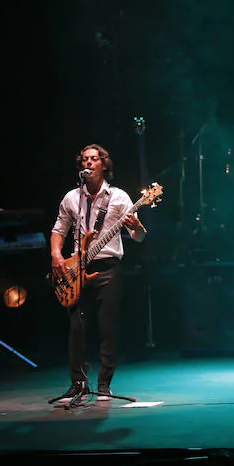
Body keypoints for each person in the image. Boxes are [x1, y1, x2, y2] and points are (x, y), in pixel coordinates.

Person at [50, 144, 147, 401]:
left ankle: (104, 385)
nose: (88, 163)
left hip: (107, 269)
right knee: (76, 328)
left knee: (107, 328)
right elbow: (59, 230)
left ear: (104, 164)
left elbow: (138, 237)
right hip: (78, 269)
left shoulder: (120, 197)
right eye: (84, 159)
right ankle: (78, 383)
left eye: (94, 159)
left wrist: (137, 226)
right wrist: (56, 255)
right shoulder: (72, 198)